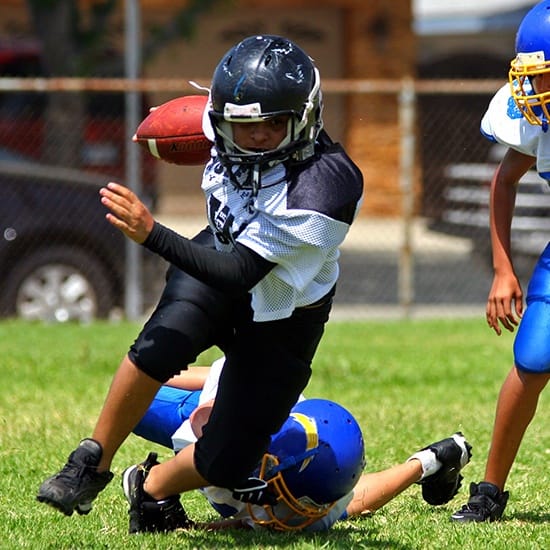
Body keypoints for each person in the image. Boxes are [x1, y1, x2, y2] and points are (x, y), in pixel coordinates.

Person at [36, 34, 364, 521]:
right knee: (160, 342)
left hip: (283, 307)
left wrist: (153, 234)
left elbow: (242, 274)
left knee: (229, 460)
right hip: (220, 253)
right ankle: (90, 461)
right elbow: (191, 130)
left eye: (273, 124)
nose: (255, 136)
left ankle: (150, 487)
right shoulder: (221, 125)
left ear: (305, 118)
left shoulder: (325, 185)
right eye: (241, 125)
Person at [126, 356, 473, 533]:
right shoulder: (241, 423)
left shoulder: (321, 490)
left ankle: (436, 461)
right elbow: (226, 371)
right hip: (208, 408)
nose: (298, 513)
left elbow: (354, 501)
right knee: (135, 400)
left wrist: (425, 463)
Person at [451, 1, 550, 523]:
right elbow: (505, 179)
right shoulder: (539, 119)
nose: (536, 92)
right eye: (533, 78)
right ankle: (490, 491)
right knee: (533, 359)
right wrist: (503, 267)